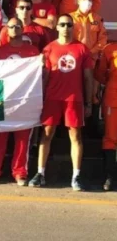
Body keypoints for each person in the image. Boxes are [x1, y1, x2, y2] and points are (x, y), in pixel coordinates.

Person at [29, 14, 94, 191]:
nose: (66, 27)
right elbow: (44, 77)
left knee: (76, 137)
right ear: (57, 27)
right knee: (46, 135)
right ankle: (40, 173)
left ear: (74, 27)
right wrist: (39, 99)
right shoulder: (49, 49)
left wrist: (88, 102)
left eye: (69, 25)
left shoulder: (82, 49)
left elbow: (88, 77)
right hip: (52, 98)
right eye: (63, 24)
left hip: (74, 100)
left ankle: (76, 176)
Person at [0, 17, 40, 186]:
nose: (14, 29)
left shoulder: (33, 52)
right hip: (2, 100)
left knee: (23, 139)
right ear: (6, 30)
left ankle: (20, 173)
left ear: (22, 29)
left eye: (17, 26)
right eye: (11, 26)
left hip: (25, 100)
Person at [70, 0, 107, 136]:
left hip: (92, 62)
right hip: (75, 61)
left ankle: (91, 127)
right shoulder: (71, 18)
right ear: (78, 1)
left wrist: (91, 52)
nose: (87, 2)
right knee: (74, 91)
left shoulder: (97, 19)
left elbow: (102, 39)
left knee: (92, 93)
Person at [94, 42, 117, 191]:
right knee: (110, 138)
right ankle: (110, 176)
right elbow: (100, 74)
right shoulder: (110, 49)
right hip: (113, 98)